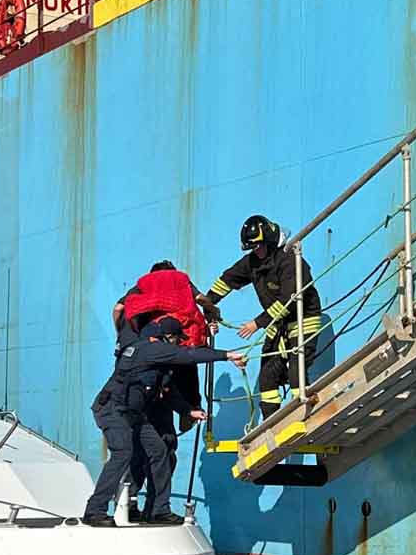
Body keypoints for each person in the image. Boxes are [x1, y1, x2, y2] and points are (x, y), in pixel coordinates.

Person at [85, 317, 247, 526]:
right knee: (123, 452)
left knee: (159, 451)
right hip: (113, 410)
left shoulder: (159, 359)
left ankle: (157, 510)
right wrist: (228, 355)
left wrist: (188, 411)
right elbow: (189, 355)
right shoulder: (152, 348)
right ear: (168, 337)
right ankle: (95, 510)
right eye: (177, 339)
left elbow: (167, 392)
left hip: (134, 413)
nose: (179, 343)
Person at [199, 215, 322, 419]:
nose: (256, 251)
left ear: (270, 241)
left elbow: (290, 300)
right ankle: (271, 423)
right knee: (267, 376)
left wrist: (257, 323)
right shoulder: (254, 262)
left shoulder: (290, 260)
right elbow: (228, 279)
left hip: (302, 319)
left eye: (259, 246)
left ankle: (304, 415)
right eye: (252, 248)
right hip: (278, 324)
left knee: (296, 370)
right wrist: (208, 304)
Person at [112, 261, 209, 519]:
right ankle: (157, 509)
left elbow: (118, 308)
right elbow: (202, 305)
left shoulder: (139, 294)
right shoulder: (179, 285)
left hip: (135, 394)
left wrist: (121, 335)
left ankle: (127, 505)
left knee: (139, 449)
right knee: (163, 449)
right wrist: (213, 315)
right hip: (163, 389)